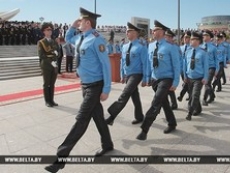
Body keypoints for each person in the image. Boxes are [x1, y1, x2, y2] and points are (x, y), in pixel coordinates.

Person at [44, 7, 113, 173]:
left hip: (95, 86)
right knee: (97, 116)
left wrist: (106, 88)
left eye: (81, 21)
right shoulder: (81, 37)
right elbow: (68, 38)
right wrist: (73, 25)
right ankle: (108, 144)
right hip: (85, 84)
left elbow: (106, 65)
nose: (79, 22)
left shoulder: (97, 40)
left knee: (81, 119)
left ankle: (60, 158)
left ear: (88, 22)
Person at [136, 20, 180, 141]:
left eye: (155, 30)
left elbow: (176, 65)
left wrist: (175, 82)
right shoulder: (150, 46)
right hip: (155, 79)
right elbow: (149, 64)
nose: (153, 32)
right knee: (164, 102)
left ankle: (144, 129)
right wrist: (147, 78)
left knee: (156, 102)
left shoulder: (171, 47)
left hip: (167, 79)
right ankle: (172, 123)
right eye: (153, 30)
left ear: (161, 32)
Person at [105, 22, 148, 125]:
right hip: (128, 74)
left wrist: (146, 78)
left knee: (125, 94)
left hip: (137, 74)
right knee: (134, 96)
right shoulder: (124, 47)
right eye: (127, 31)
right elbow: (122, 62)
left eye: (129, 31)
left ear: (136, 33)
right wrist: (122, 75)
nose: (127, 33)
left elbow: (145, 63)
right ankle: (139, 116)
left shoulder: (141, 47)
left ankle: (112, 116)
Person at [184, 31, 208, 120]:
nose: (191, 41)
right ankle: (198, 109)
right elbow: (185, 65)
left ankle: (190, 112)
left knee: (195, 95)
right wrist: (185, 76)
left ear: (199, 41)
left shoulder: (203, 52)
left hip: (199, 78)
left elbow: (206, 66)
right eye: (191, 39)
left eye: (194, 39)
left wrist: (205, 77)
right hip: (189, 77)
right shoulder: (188, 52)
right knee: (192, 95)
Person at [37, 22, 59, 107]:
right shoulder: (41, 42)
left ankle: (52, 100)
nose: (50, 31)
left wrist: (57, 54)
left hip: (54, 65)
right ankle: (47, 101)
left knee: (52, 84)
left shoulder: (54, 42)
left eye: (51, 29)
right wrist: (51, 62)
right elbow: (41, 55)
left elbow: (58, 53)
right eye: (48, 30)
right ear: (44, 31)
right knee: (47, 84)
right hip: (46, 65)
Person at [201, 30, 218, 106]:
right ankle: (212, 96)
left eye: (206, 35)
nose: (204, 36)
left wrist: (216, 69)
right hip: (203, 68)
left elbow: (216, 59)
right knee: (208, 84)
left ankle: (204, 99)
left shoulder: (213, 47)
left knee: (207, 83)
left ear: (210, 37)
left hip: (211, 67)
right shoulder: (200, 46)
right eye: (203, 35)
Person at [164, 29, 180, 110]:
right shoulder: (164, 46)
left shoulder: (174, 47)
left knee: (165, 91)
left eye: (168, 37)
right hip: (165, 72)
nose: (166, 38)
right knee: (169, 90)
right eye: (166, 36)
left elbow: (178, 61)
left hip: (171, 71)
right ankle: (174, 104)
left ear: (172, 38)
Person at [177, 31, 191, 102]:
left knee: (186, 83)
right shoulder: (180, 48)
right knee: (187, 84)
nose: (185, 39)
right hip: (182, 69)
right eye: (185, 37)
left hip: (189, 69)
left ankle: (181, 95)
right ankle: (190, 95)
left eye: (187, 37)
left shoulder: (192, 48)